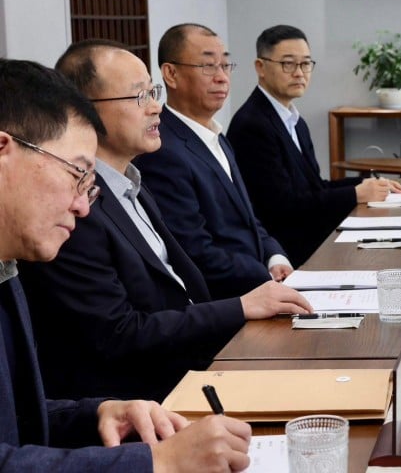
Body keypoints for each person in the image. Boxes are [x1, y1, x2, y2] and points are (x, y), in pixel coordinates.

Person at [17, 41, 312, 402]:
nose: (156, 107)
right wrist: (241, 307)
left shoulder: (134, 185)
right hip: (145, 397)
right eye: (140, 97)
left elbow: (182, 291)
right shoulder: (77, 210)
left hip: (197, 365)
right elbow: (118, 334)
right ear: (84, 111)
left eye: (153, 92)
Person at [0, 58, 253, 472]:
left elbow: (17, 420)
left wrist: (99, 413)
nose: (82, 206)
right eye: (77, 173)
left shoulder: (7, 267)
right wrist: (156, 462)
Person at [134, 24, 294, 299]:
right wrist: (264, 277)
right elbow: (194, 251)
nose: (221, 78)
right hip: (226, 304)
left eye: (226, 65)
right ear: (171, 74)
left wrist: (274, 257)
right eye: (208, 66)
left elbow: (247, 219)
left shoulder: (216, 134)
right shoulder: (163, 151)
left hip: (260, 286)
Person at [226, 25, 401, 267]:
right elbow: (281, 208)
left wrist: (366, 185)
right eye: (288, 64)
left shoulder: (295, 121)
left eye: (306, 64)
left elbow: (313, 187)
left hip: (313, 240)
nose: (299, 73)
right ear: (261, 67)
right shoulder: (252, 124)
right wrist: (355, 194)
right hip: (288, 255)